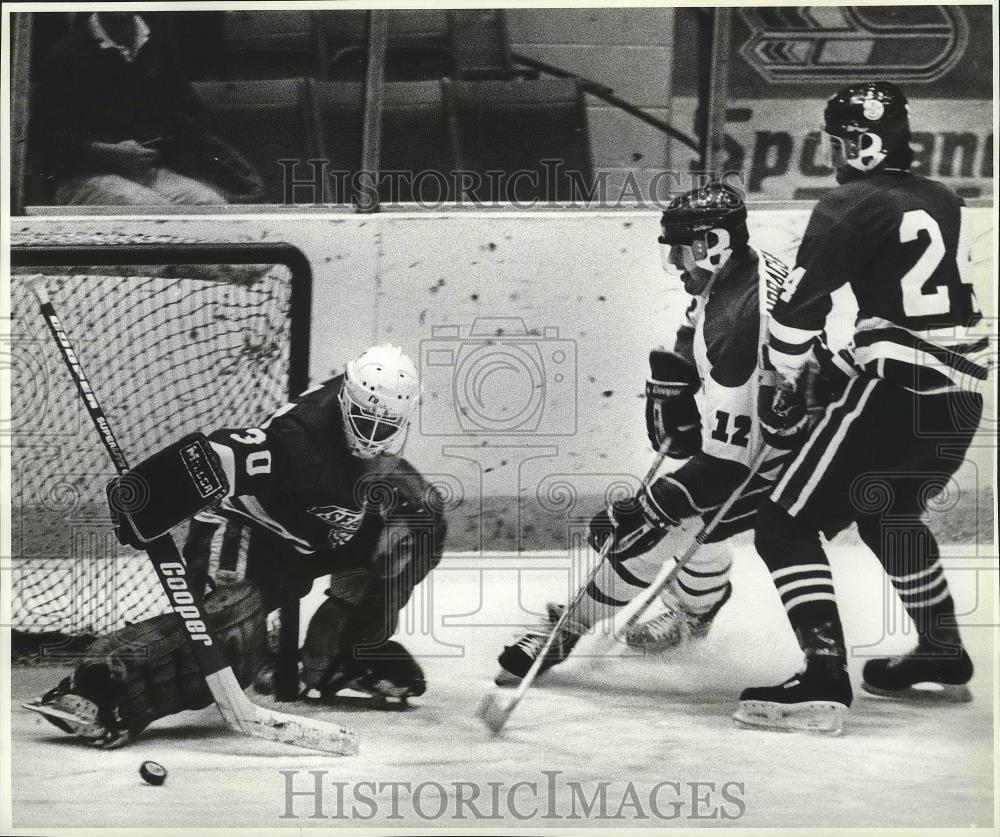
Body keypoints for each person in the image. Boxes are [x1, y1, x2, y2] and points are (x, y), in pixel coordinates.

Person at [494, 182, 851, 684]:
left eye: (681, 252)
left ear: (712, 244)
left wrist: (650, 506)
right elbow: (697, 323)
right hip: (793, 437)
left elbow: (730, 467)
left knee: (661, 527)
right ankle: (698, 611)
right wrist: (679, 376)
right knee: (690, 520)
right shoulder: (737, 274)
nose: (677, 265)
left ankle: (568, 628)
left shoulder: (743, 325)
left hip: (798, 457)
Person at [25, 345, 447, 747]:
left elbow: (384, 478)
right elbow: (219, 455)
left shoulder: (376, 402)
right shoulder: (300, 441)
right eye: (363, 421)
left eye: (386, 426)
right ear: (345, 402)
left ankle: (339, 654)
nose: (372, 436)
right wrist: (151, 492)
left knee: (421, 524)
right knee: (232, 639)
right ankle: (101, 686)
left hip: (314, 533)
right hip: (247, 530)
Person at [736, 82, 989, 734]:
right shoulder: (939, 198)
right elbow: (912, 315)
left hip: (896, 397)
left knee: (784, 521)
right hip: (959, 399)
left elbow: (796, 318)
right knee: (887, 512)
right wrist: (847, 364)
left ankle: (823, 677)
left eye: (836, 138)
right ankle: (941, 649)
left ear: (853, 141)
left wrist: (785, 385)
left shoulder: (847, 203)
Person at [33, 12, 262, 206]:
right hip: (82, 178)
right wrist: (107, 152)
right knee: (155, 211)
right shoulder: (66, 54)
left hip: (149, 175)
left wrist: (229, 161)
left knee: (212, 206)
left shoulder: (155, 45)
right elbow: (44, 135)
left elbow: (184, 117)